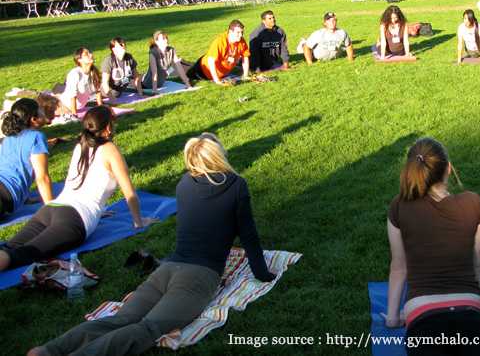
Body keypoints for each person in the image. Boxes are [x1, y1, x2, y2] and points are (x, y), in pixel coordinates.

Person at [27, 132, 275, 356]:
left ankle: (49, 350)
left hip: (167, 269)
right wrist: (263, 274)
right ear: (220, 155)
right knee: (148, 329)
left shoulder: (184, 185)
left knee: (121, 319)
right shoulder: (236, 185)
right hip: (199, 276)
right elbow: (249, 236)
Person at [0, 106, 154, 272]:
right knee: (20, 255)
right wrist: (139, 222)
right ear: (108, 127)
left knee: (8, 247)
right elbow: (129, 192)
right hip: (74, 219)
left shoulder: (80, 145)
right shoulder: (110, 150)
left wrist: (100, 210)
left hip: (50, 209)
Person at [384, 138, 480, 356]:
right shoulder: (473, 202)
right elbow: (478, 265)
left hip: (422, 314)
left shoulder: (399, 206)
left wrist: (392, 319)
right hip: (471, 309)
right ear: (448, 168)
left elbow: (399, 268)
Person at [0, 98, 53, 219]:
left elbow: (14, 166)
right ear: (34, 120)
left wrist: (24, 197)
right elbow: (42, 178)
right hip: (5, 194)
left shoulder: (8, 138)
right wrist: (52, 210)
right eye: (41, 111)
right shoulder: (37, 137)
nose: (44, 112)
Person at [188, 20, 250, 85]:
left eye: (242, 32)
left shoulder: (241, 41)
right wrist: (217, 80)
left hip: (222, 73)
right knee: (188, 73)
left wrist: (245, 75)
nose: (240, 35)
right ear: (230, 31)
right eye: (238, 32)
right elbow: (211, 61)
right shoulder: (220, 41)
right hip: (203, 70)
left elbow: (245, 58)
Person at [56, 47, 102, 115]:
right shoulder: (75, 74)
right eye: (86, 54)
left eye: (90, 53)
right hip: (63, 105)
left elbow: (98, 91)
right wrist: (74, 114)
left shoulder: (94, 72)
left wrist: (101, 107)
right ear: (79, 60)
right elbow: (72, 96)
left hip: (80, 107)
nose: (91, 55)